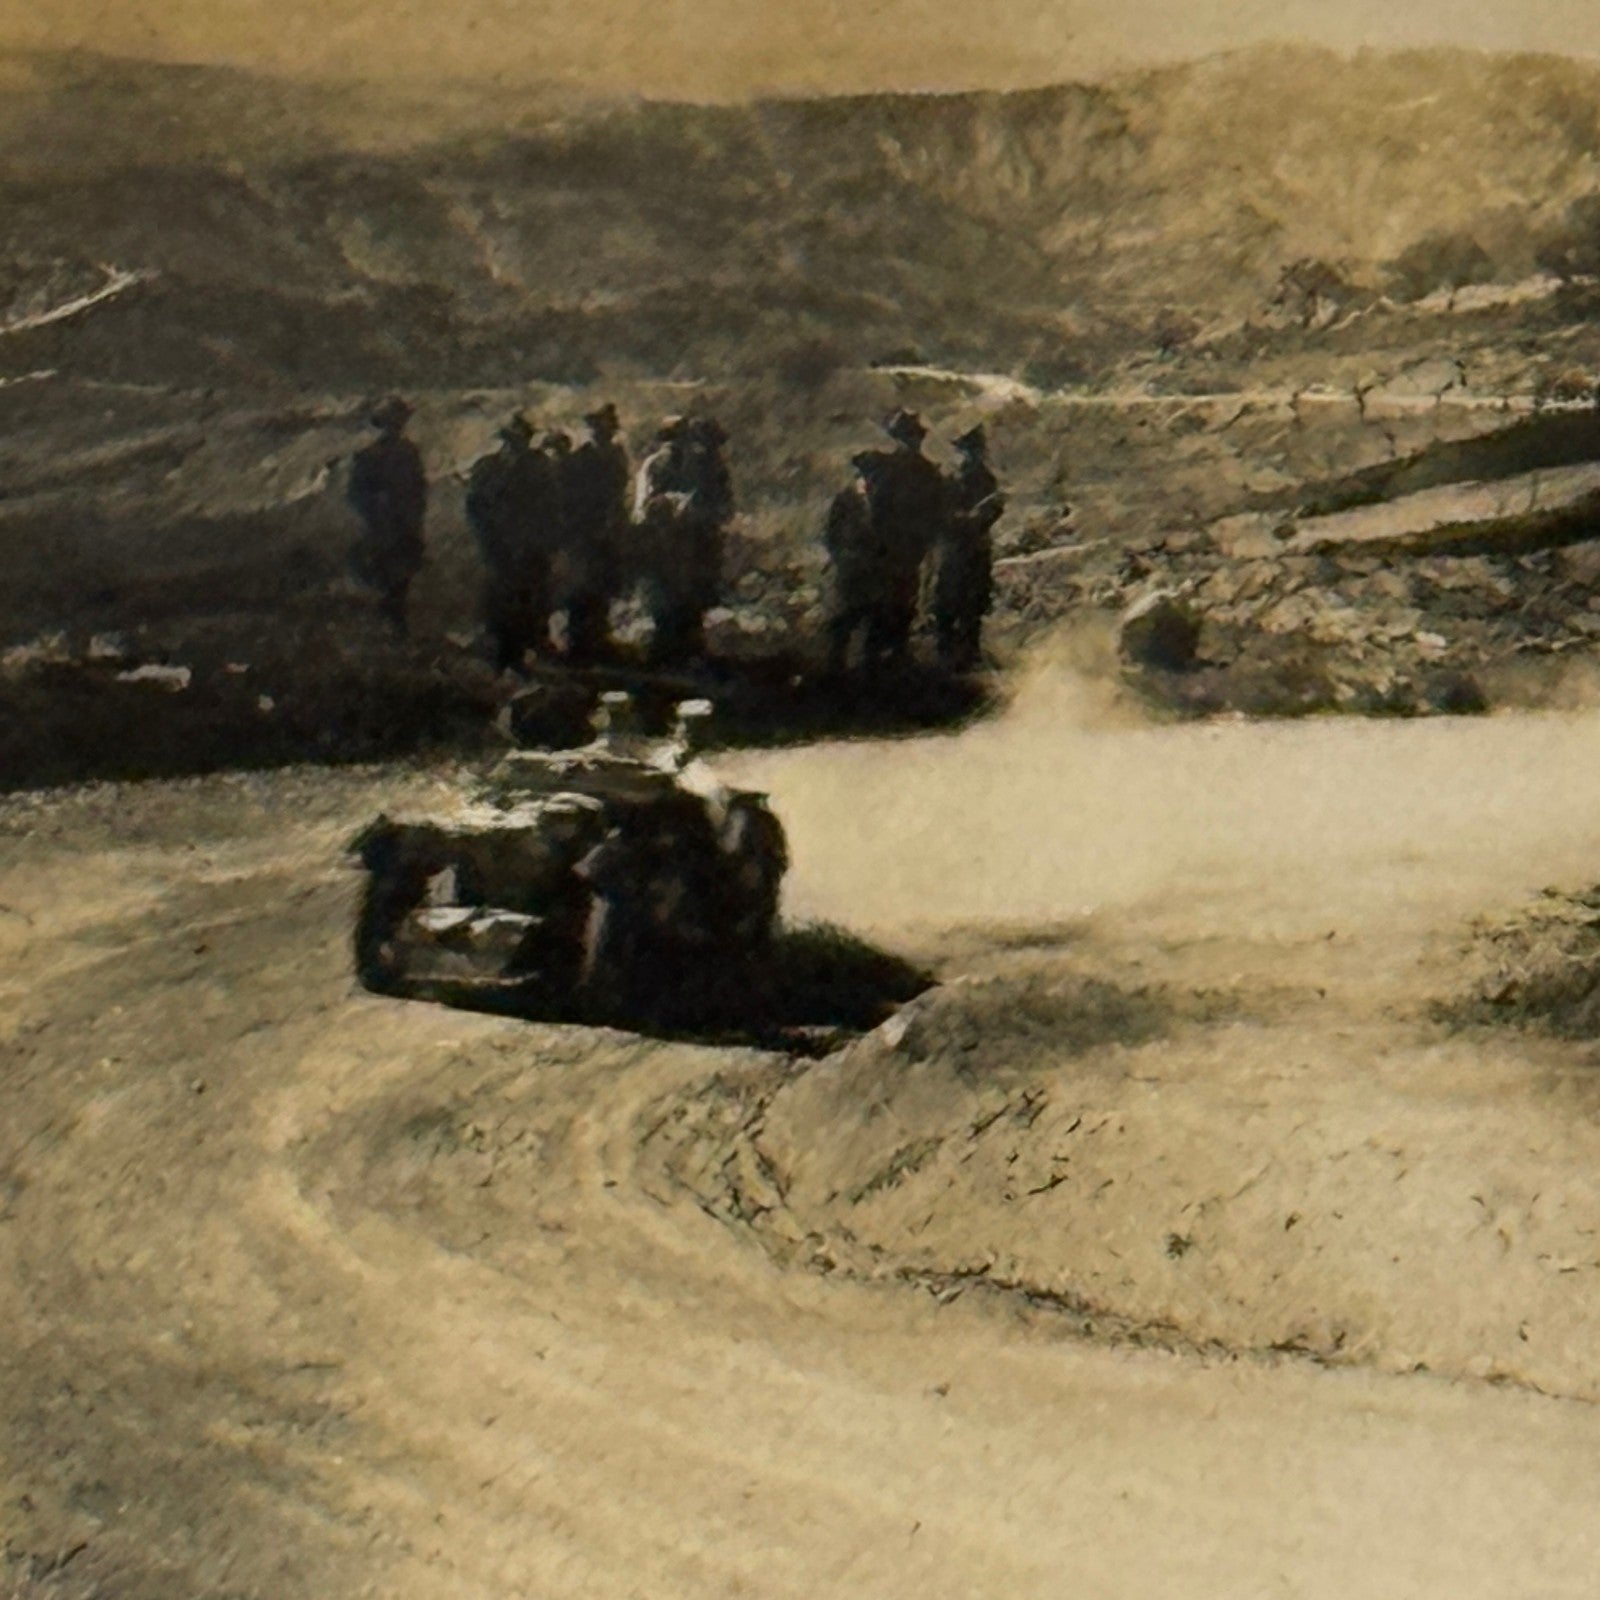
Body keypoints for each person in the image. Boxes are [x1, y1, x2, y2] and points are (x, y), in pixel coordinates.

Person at [465, 412, 561, 674]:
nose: (516, 446)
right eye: (511, 440)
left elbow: (552, 506)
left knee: (532, 598)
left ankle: (527, 650)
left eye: (521, 441)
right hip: (500, 547)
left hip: (531, 547)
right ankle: (502, 654)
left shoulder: (540, 466)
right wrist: (488, 539)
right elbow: (474, 506)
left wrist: (545, 539)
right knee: (501, 600)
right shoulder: (487, 468)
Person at [859, 408, 946, 666]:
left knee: (897, 598)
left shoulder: (890, 469)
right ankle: (886, 652)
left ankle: (887, 652)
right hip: (898, 547)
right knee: (894, 598)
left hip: (899, 547)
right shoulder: (921, 471)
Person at [556, 403, 630, 664]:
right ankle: (578, 643)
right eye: (600, 428)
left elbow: (619, 493)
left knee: (602, 587)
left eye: (608, 429)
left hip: (607, 531)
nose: (605, 433)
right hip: (585, 531)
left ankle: (597, 639)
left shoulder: (615, 456)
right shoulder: (579, 460)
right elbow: (569, 499)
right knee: (582, 588)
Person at [347, 396, 427, 637]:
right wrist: (378, 510)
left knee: (399, 575)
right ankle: (392, 621)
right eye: (394, 421)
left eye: (399, 421)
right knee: (390, 573)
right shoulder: (371, 455)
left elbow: (419, 489)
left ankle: (393, 620)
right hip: (386, 525)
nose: (398, 426)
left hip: (402, 523)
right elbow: (357, 494)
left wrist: (413, 514)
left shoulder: (408, 453)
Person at [933, 424, 1006, 672]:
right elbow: (940, 511)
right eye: (965, 450)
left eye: (972, 450)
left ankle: (968, 653)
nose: (968, 455)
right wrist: (957, 519)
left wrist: (977, 519)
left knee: (972, 603)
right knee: (946, 602)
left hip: (974, 549)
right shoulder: (951, 480)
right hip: (954, 549)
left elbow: (993, 510)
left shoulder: (986, 480)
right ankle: (944, 652)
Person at [822, 452, 888, 673]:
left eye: (875, 473)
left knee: (873, 614)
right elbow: (831, 532)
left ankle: (869, 664)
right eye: (867, 472)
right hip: (850, 564)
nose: (870, 478)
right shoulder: (847, 498)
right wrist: (840, 555)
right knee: (844, 615)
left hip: (872, 565)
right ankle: (836, 663)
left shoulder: (881, 499)